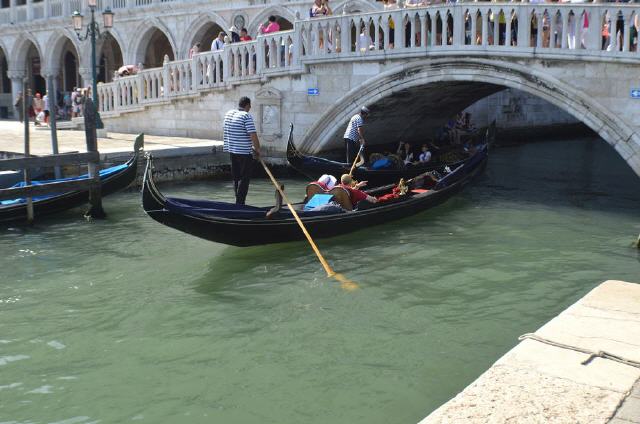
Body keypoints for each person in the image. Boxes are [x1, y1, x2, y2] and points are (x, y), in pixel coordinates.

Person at [223, 96, 261, 205]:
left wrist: (250, 147)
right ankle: (240, 203)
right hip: (244, 153)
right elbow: (253, 134)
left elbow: (233, 133)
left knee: (236, 177)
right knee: (244, 179)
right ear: (247, 105)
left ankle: (238, 202)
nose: (250, 108)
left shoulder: (228, 114)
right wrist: (257, 150)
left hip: (232, 151)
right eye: (250, 106)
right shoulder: (246, 116)